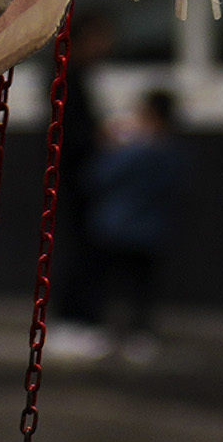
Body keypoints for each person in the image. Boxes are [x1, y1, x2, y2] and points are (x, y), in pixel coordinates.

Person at [76, 84, 186, 353]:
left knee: (112, 283)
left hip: (117, 227)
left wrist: (114, 146)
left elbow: (97, 176)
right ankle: (138, 333)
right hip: (148, 229)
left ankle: (110, 330)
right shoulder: (171, 151)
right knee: (138, 286)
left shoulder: (137, 151)